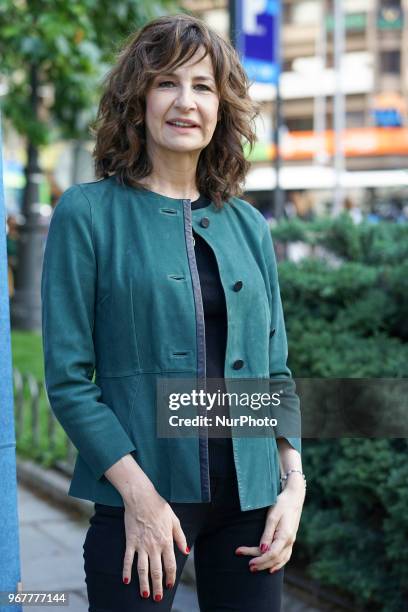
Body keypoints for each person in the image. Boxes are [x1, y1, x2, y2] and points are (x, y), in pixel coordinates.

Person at [41, 14, 306, 611]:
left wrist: (293, 483)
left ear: (222, 109)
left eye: (203, 87)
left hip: (252, 508)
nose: (186, 102)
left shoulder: (247, 224)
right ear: (138, 100)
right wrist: (139, 498)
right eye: (167, 83)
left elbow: (276, 371)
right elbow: (67, 379)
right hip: (143, 498)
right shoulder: (87, 213)